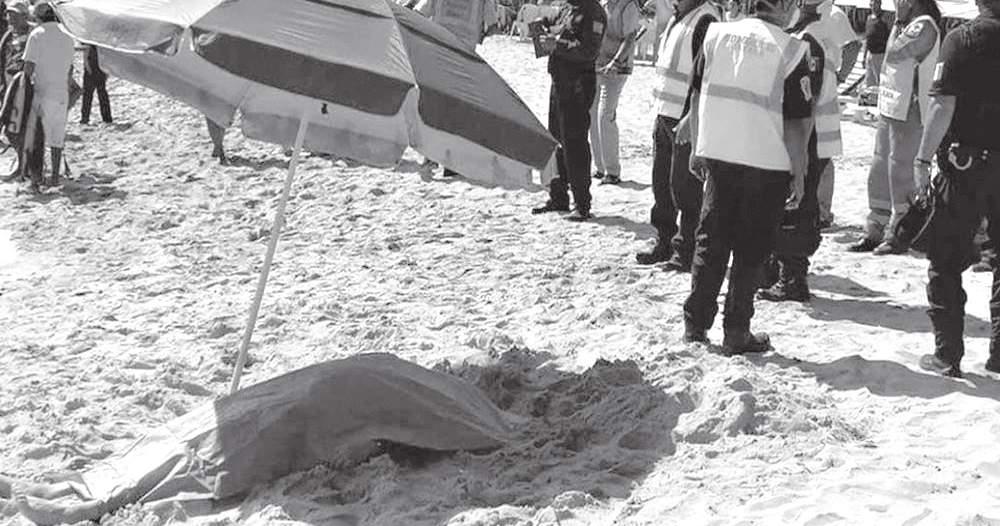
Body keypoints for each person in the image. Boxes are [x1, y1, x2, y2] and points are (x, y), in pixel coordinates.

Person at [0, 354, 511, 525]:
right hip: (327, 391)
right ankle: (95, 484)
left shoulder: (455, 411)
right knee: (223, 428)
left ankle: (102, 493)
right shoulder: (456, 403)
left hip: (332, 402)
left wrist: (368, 446)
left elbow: (402, 434)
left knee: (236, 443)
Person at [675, 0, 814, 353]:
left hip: (720, 154)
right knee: (751, 251)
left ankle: (695, 325)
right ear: (784, 6)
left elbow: (697, 95)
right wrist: (799, 172)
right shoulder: (792, 50)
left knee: (711, 242)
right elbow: (796, 124)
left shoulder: (715, 35)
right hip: (767, 162)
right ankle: (736, 330)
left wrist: (697, 147)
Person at [911, 0, 1000, 377]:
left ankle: (947, 356)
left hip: (966, 165)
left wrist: (921, 159)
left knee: (945, 259)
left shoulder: (961, 39)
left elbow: (942, 106)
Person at [758, 0, 838, 302]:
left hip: (809, 137)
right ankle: (776, 268)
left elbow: (809, 100)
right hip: (801, 136)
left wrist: (799, 153)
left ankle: (793, 278)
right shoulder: (801, 33)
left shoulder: (809, 39)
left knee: (797, 208)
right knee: (785, 204)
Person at [849, 0, 941, 254]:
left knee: (900, 170)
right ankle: (875, 227)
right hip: (891, 106)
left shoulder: (924, 25)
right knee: (879, 167)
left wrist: (899, 20)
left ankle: (900, 232)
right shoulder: (908, 25)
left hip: (910, 109)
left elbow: (895, 53)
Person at [635, 0, 720, 267]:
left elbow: (706, 76)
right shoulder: (677, 17)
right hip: (664, 113)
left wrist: (690, 117)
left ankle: (685, 248)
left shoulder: (706, 19)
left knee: (684, 188)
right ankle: (664, 240)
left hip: (684, 117)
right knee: (661, 184)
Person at [530, 0, 607, 220]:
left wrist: (558, 44)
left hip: (577, 85)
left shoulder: (593, 11)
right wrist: (542, 27)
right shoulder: (567, 8)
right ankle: (559, 196)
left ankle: (582, 203)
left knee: (574, 142)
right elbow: (556, 26)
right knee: (556, 140)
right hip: (559, 81)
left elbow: (589, 50)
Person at [812, 0, 860, 228]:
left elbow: (853, 46)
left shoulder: (833, 14)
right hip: (802, 89)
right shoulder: (796, 11)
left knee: (822, 152)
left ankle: (822, 211)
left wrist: (841, 76)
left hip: (823, 91)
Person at [21, 1, 74, 187]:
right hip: (61, 93)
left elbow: (28, 68)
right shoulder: (68, 35)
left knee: (38, 138)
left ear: (38, 17)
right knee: (57, 137)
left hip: (42, 92)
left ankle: (37, 178)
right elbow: (70, 69)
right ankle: (55, 177)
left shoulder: (36, 35)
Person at [589, 0, 641, 186]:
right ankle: (600, 168)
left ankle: (612, 171)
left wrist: (616, 62)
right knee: (592, 115)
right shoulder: (603, 3)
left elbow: (630, 37)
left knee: (605, 116)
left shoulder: (628, 5)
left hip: (617, 70)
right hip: (598, 66)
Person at [79, 44, 111, 124]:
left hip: (97, 69)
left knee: (94, 94)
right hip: (95, 69)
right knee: (93, 94)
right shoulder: (95, 44)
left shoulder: (96, 44)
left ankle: (86, 118)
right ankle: (105, 118)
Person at [864, 0, 891, 89]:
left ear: (880, 4)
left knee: (880, 81)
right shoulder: (869, 18)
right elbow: (867, 37)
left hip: (880, 54)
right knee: (869, 81)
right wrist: (864, 55)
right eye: (872, 3)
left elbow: (890, 36)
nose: (873, 5)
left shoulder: (885, 18)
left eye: (876, 2)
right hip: (870, 54)